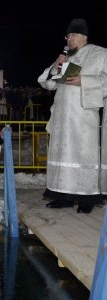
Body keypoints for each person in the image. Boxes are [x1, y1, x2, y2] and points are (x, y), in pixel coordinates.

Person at [38, 18, 107, 213]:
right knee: (62, 155)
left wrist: (83, 81)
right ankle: (62, 196)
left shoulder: (100, 53)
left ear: (82, 36)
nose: (68, 40)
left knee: (83, 155)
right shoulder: (67, 56)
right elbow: (46, 83)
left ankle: (87, 199)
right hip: (61, 116)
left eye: (71, 36)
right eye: (67, 37)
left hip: (84, 117)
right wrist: (56, 67)